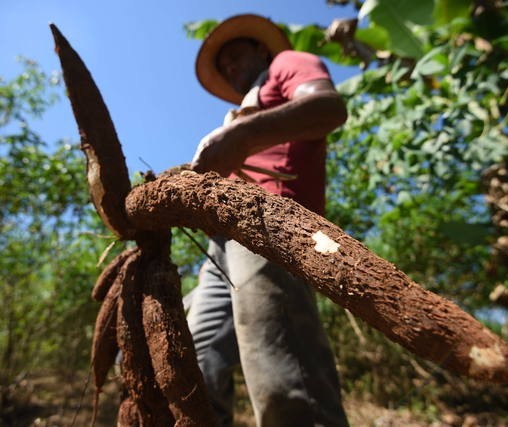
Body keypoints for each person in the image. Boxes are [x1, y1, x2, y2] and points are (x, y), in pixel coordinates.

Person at [187, 14, 349, 427]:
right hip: (223, 242)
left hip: (272, 221)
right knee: (196, 356)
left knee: (279, 360)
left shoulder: (287, 63)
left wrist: (240, 137)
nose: (230, 68)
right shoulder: (236, 112)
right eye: (222, 66)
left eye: (235, 56)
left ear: (261, 50)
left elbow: (327, 107)